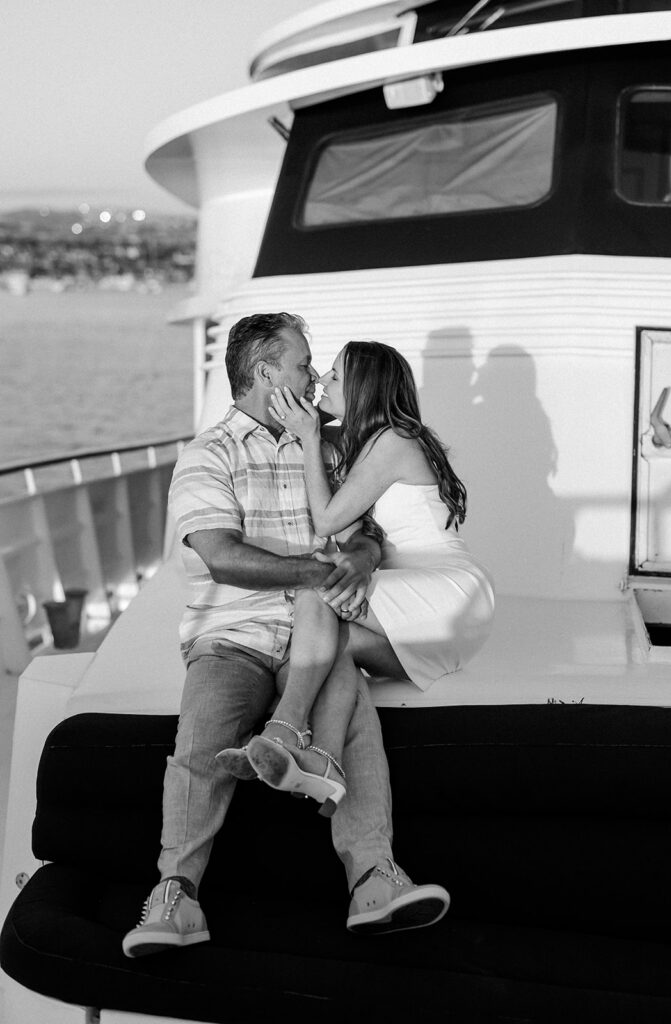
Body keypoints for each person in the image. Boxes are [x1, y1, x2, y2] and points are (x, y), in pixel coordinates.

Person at [122, 313, 450, 958]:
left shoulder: (324, 447)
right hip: (233, 634)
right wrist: (318, 574)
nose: (313, 375)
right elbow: (221, 556)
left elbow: (363, 529)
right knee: (200, 737)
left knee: (358, 727)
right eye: (303, 365)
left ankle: (375, 881)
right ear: (266, 373)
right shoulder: (208, 454)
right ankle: (175, 896)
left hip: (318, 629)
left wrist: (361, 558)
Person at [239, 340, 494, 809]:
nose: (321, 381)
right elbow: (350, 530)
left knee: (316, 589)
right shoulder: (369, 442)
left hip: (447, 591)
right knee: (334, 646)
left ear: (364, 389)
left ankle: (283, 729)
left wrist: (310, 436)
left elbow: (327, 520)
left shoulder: (393, 440)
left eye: (335, 375)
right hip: (443, 615)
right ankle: (325, 761)